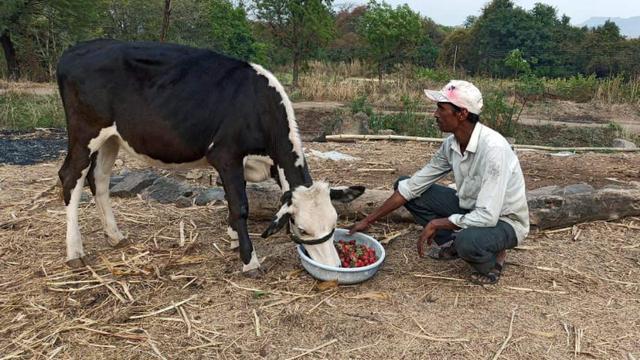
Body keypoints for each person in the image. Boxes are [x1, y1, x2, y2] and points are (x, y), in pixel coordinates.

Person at [349, 80, 529, 284]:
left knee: (467, 242)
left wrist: (437, 223)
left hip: (504, 221)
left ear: (461, 114)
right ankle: (451, 243)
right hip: (471, 208)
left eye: (441, 108)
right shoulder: (450, 145)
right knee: (405, 185)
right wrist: (369, 220)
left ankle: (494, 259)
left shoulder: (494, 149)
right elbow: (413, 186)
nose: (435, 114)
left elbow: (488, 215)